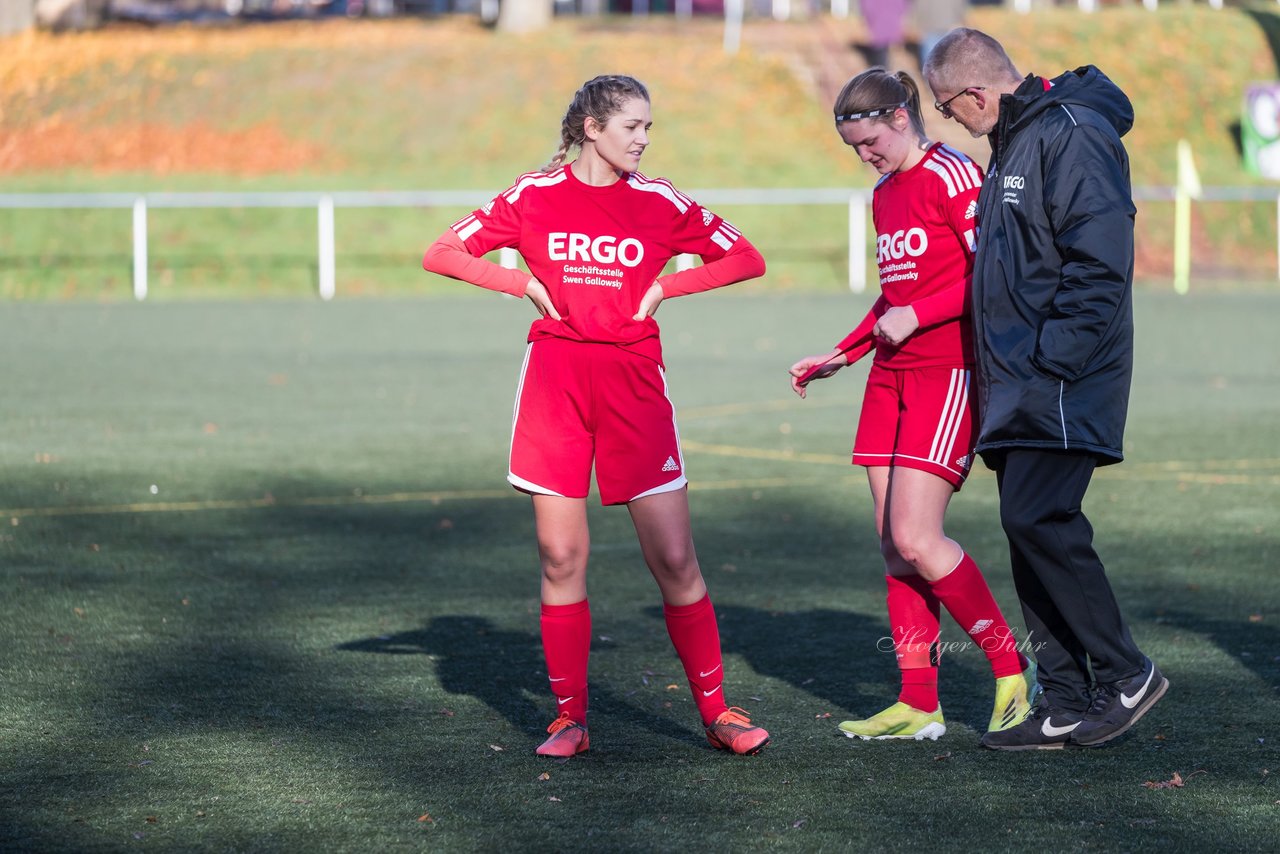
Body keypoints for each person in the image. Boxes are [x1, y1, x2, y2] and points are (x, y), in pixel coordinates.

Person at [422, 75, 769, 758]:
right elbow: (441, 252)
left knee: (673, 557)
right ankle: (568, 720)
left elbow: (746, 257)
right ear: (591, 128)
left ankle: (719, 712)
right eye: (631, 126)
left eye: (647, 128)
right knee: (560, 555)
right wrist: (520, 281)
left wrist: (668, 285)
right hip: (556, 384)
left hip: (634, 386)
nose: (643, 139)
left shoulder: (659, 199)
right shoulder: (534, 194)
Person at [923, 28, 1168, 750]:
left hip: (1059, 378)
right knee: (1025, 530)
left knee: (1041, 518)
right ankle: (1063, 698)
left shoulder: (1072, 132)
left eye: (945, 107)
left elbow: (1100, 262)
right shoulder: (1014, 143)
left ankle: (1126, 673)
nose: (947, 121)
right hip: (1019, 382)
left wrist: (1052, 363)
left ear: (975, 92)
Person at [788, 67, 1037, 744]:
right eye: (853, 148)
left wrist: (920, 313)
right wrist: (845, 350)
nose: (864, 155)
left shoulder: (955, 176)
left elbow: (996, 277)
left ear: (901, 118)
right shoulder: (883, 194)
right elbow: (892, 300)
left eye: (869, 141)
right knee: (894, 550)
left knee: (917, 538)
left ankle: (1012, 668)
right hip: (890, 377)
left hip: (948, 373)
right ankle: (918, 702)